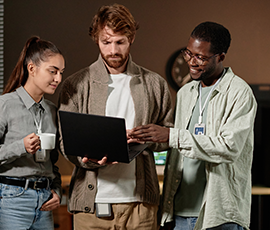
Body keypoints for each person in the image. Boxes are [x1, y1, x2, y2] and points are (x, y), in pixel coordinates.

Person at [57, 4, 174, 229]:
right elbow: (65, 141)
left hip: (141, 207)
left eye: (120, 42)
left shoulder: (155, 84)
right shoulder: (76, 85)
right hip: (91, 207)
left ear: (131, 39)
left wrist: (148, 138)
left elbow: (168, 137)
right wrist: (85, 159)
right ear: (96, 40)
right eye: (106, 42)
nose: (113, 51)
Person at [130, 21, 256, 230]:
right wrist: (146, 137)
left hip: (219, 216)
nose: (192, 62)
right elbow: (176, 149)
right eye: (188, 54)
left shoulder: (239, 93)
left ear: (221, 57)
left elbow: (229, 148)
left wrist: (172, 136)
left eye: (201, 57)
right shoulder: (185, 93)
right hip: (179, 211)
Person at [0, 36, 65, 230]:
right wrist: (20, 146)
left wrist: (56, 191)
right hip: (12, 200)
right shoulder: (3, 105)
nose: (58, 79)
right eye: (53, 71)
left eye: (61, 72)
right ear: (32, 68)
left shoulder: (52, 110)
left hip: (45, 202)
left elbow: (51, 163)